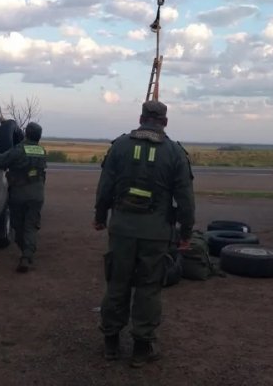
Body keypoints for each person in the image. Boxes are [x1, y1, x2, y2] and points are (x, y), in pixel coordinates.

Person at [93, 100, 195, 368]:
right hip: (156, 232)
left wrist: (99, 216)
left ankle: (111, 344)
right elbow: (185, 199)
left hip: (122, 230)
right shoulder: (174, 152)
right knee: (149, 289)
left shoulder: (119, 146)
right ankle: (141, 348)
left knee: (117, 284)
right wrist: (186, 233)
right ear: (165, 122)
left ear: (141, 118)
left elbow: (105, 186)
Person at [0, 122, 46, 273]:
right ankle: (27, 254)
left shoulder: (19, 150)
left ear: (26, 133)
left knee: (18, 226)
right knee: (31, 226)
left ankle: (26, 254)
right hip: (37, 193)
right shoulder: (42, 151)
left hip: (20, 193)